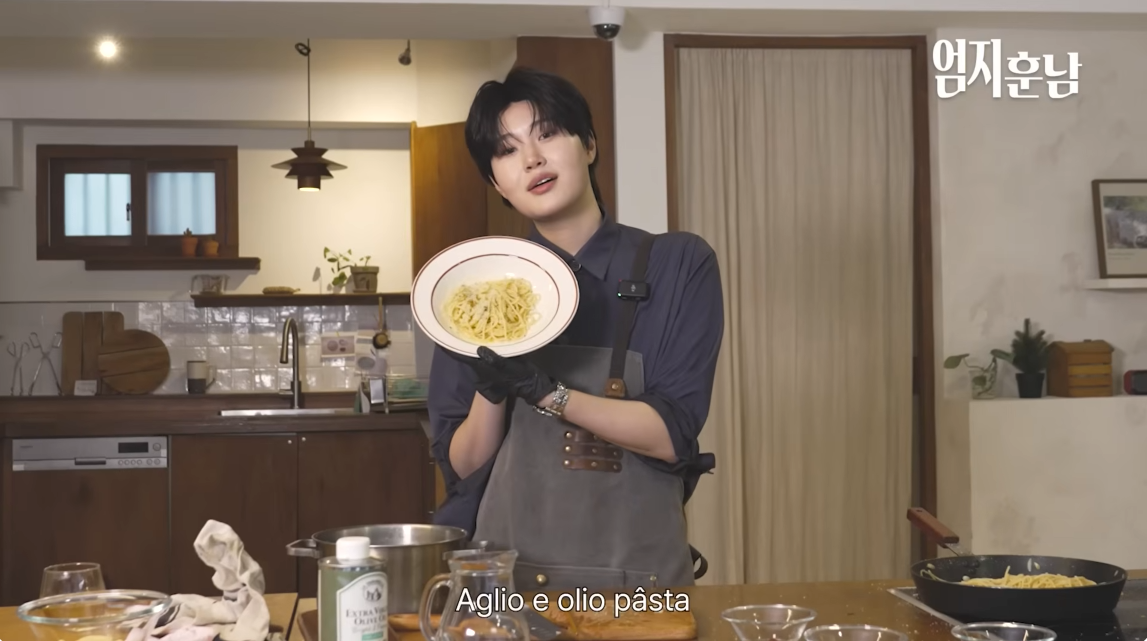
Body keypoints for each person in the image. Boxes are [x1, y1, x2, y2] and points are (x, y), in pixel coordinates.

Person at [426, 67, 723, 591]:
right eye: (506, 150)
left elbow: (671, 436)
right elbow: (464, 466)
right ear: (496, 183)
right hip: (506, 589)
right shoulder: (477, 289)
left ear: (588, 144)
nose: (531, 159)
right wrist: (493, 390)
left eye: (547, 134)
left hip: (642, 591)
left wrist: (547, 393)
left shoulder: (678, 263)